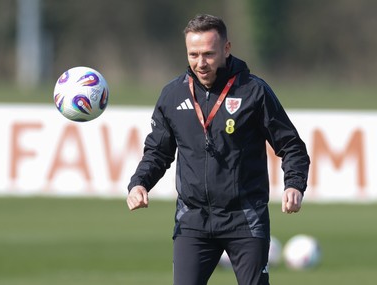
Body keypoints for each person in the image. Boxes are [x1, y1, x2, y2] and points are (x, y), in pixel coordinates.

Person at [127, 14, 310, 285]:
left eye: (209, 54)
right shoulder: (172, 95)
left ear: (226, 49)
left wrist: (294, 184)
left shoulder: (254, 92)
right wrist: (139, 183)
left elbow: (291, 145)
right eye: (193, 54)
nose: (201, 63)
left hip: (245, 217)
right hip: (193, 219)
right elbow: (158, 151)